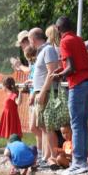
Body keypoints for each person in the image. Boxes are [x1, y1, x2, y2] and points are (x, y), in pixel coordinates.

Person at [47, 17, 88, 175]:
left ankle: (78, 162)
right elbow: (78, 64)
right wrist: (62, 71)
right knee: (82, 124)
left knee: (76, 124)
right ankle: (83, 161)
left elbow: (72, 68)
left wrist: (59, 76)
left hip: (77, 85)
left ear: (59, 30)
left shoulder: (65, 41)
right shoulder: (78, 39)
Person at [27, 28, 58, 166]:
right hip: (40, 92)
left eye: (29, 39)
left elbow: (52, 72)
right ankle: (46, 156)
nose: (29, 43)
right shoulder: (42, 51)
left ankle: (53, 157)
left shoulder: (48, 50)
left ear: (33, 39)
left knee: (48, 126)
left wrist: (43, 91)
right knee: (44, 127)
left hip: (46, 92)